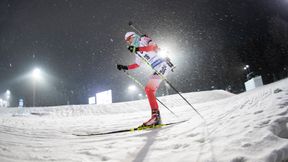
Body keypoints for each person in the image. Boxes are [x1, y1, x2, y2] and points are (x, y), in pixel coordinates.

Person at [117, 31, 174, 127]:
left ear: (133, 36)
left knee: (149, 90)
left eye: (128, 40)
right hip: (158, 68)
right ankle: (156, 117)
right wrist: (125, 67)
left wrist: (137, 48)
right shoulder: (137, 52)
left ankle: (155, 118)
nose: (128, 42)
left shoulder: (143, 39)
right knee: (149, 90)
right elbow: (137, 64)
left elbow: (153, 47)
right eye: (127, 42)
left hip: (163, 64)